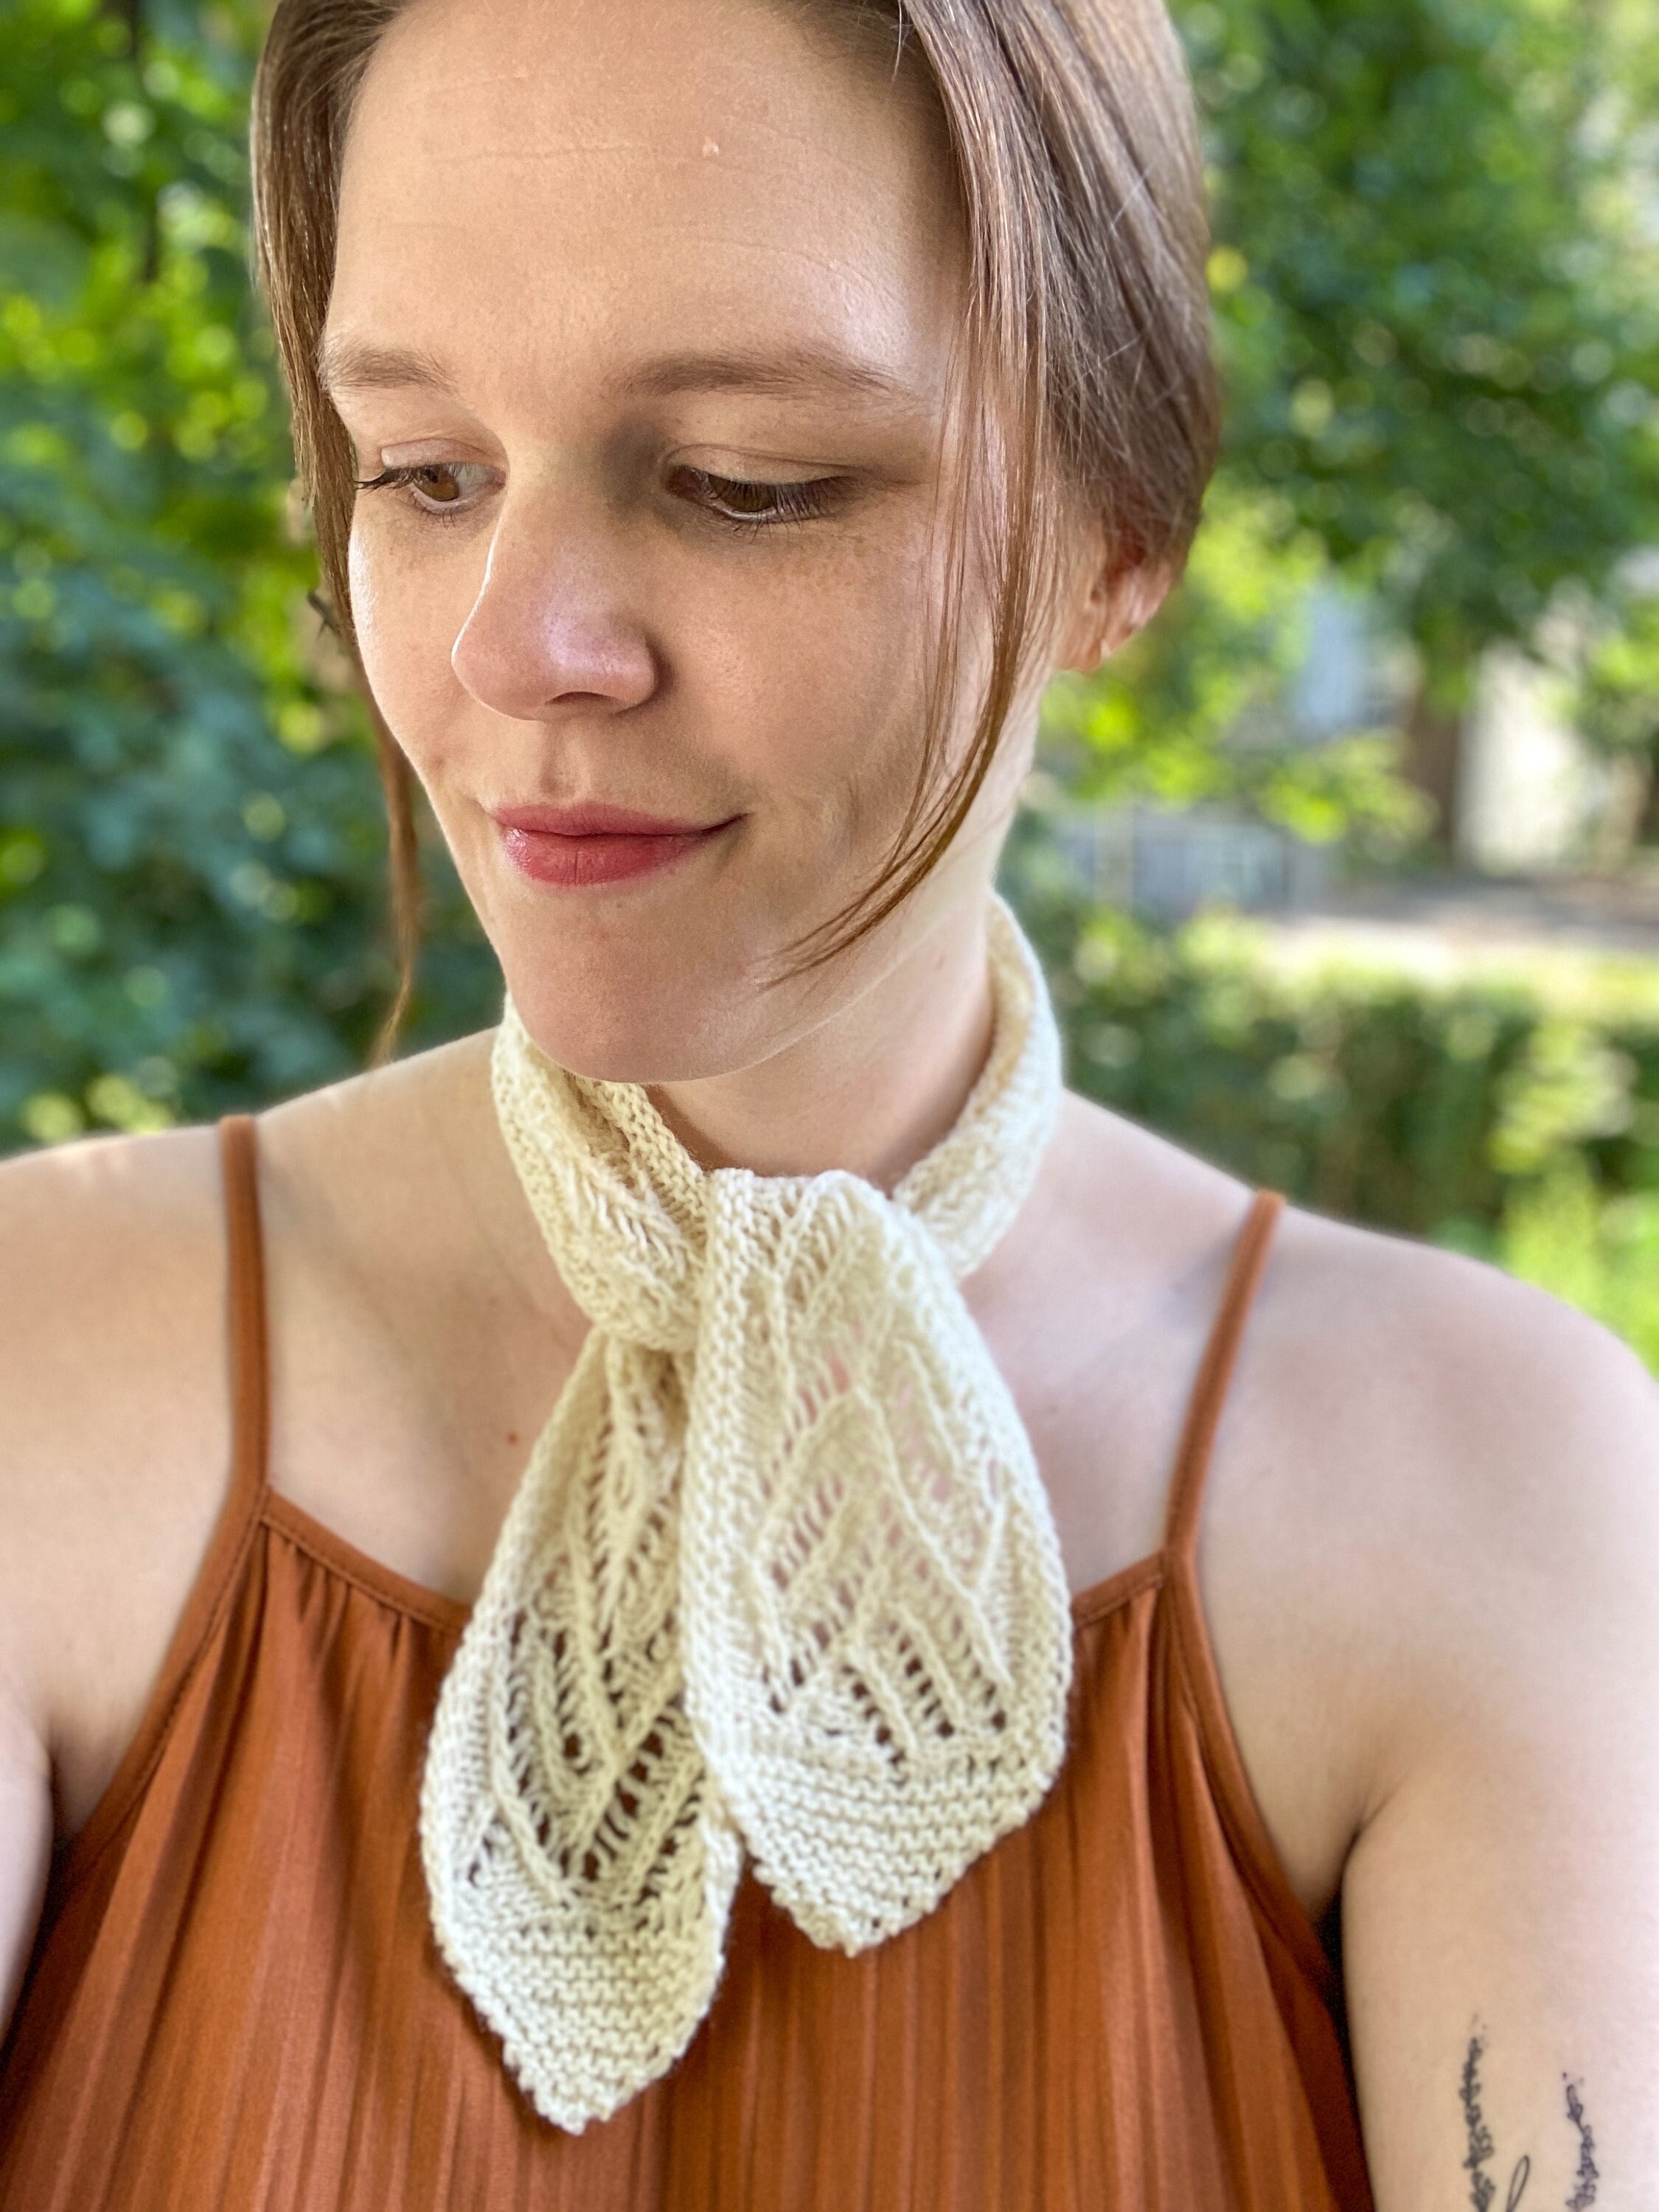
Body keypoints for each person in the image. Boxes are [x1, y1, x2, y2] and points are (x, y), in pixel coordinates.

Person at [0, 0, 1654, 2202]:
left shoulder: (1490, 1486)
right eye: (423, 471)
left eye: (746, 481)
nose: (518, 646)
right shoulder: (39, 1362)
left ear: (1119, 537)